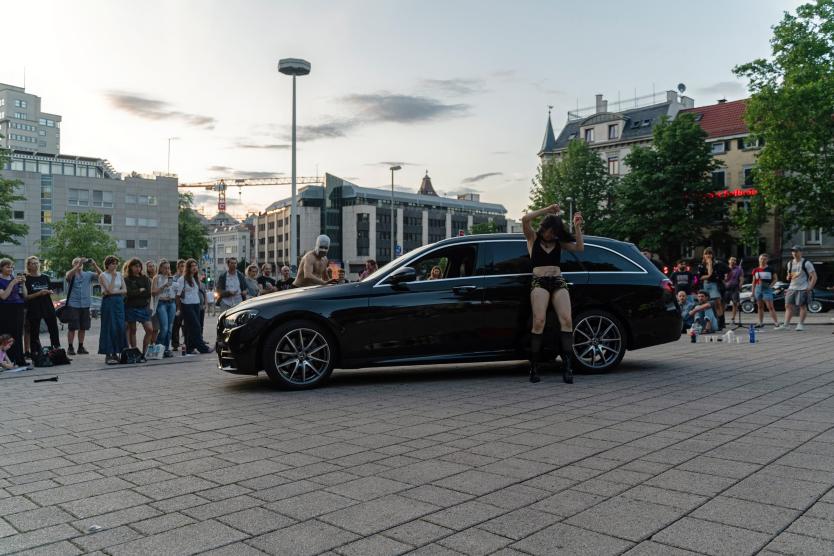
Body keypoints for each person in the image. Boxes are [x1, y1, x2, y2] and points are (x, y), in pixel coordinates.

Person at [522, 204, 584, 384]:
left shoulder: (558, 243)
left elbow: (579, 248)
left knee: (566, 320)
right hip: (539, 282)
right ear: (544, 227)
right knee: (539, 321)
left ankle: (567, 367)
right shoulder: (532, 238)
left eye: (555, 232)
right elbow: (525, 220)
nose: (552, 235)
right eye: (550, 231)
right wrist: (546, 210)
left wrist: (577, 227)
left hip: (558, 281)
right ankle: (534, 367)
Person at [64, 257, 103, 355]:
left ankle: (80, 347)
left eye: (81, 262)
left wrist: (94, 265)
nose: (79, 263)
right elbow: (68, 276)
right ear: (73, 265)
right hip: (73, 304)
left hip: (85, 304)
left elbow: (102, 276)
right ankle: (70, 347)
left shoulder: (88, 274)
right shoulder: (71, 273)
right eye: (76, 262)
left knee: (83, 327)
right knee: (72, 327)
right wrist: (78, 265)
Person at [24, 256, 61, 355]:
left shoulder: (45, 277)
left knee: (53, 328)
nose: (36, 265)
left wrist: (49, 291)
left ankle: (57, 351)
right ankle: (35, 353)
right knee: (34, 331)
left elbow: (50, 289)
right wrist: (39, 293)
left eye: (37, 263)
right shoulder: (26, 279)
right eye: (33, 263)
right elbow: (26, 297)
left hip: (47, 306)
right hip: (34, 307)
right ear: (28, 266)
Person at [777, 245, 817, 331]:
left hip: (803, 287)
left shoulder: (806, 263)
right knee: (787, 305)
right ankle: (786, 325)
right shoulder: (790, 263)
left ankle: (800, 324)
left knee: (802, 306)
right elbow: (789, 275)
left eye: (796, 251)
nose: (794, 253)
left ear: (801, 252)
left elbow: (814, 276)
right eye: (793, 251)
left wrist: (810, 287)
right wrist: (788, 276)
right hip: (792, 287)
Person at [176, 258, 212, 354]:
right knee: (196, 327)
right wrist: (179, 308)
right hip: (186, 305)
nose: (194, 268)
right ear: (188, 267)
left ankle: (189, 348)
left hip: (196, 304)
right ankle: (202, 347)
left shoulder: (195, 278)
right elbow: (178, 295)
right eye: (192, 266)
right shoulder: (182, 279)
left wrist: (204, 303)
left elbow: (200, 292)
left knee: (190, 327)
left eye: (195, 265)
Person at [98, 255, 127, 365]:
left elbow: (125, 290)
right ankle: (108, 353)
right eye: (112, 263)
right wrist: (114, 278)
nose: (114, 265)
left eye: (116, 263)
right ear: (107, 264)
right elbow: (108, 290)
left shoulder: (120, 274)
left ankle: (116, 352)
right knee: (109, 326)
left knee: (119, 326)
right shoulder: (102, 275)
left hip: (119, 302)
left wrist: (113, 292)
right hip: (108, 302)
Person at [123, 258, 154, 361]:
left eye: (139, 266)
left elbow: (148, 293)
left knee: (150, 329)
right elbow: (129, 294)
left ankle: (144, 353)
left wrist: (137, 292)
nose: (138, 268)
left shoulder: (145, 278)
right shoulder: (127, 279)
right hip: (131, 307)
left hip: (143, 307)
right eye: (135, 266)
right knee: (133, 330)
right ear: (130, 267)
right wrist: (140, 290)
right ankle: (134, 352)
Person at [0, 258, 28, 367]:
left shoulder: (13, 278)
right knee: (7, 334)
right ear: (1, 268)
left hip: (18, 307)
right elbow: (4, 296)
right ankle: (8, 359)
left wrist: (23, 284)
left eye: (12, 267)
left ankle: (20, 359)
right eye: (8, 267)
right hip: (6, 309)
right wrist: (12, 283)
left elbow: (25, 295)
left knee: (17, 333)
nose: (10, 269)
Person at [152, 259, 176, 357]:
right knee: (164, 328)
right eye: (165, 268)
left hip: (171, 303)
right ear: (160, 268)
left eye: (168, 268)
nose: (167, 270)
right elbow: (153, 293)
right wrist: (164, 286)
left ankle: (166, 349)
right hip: (161, 303)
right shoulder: (157, 278)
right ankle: (158, 348)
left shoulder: (172, 278)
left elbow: (175, 291)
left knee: (170, 328)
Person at [697, 248, 724, 330]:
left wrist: (710, 264)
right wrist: (708, 276)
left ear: (712, 255)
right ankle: (708, 323)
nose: (708, 255)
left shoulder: (716, 264)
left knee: (717, 303)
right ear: (704, 255)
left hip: (714, 285)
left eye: (710, 253)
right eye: (706, 253)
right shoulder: (701, 265)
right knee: (707, 304)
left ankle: (720, 323)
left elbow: (711, 273)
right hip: (705, 285)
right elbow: (700, 277)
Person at [751, 253, 779, 329]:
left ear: (767, 260)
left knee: (770, 306)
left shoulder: (770, 269)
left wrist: (771, 286)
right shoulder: (755, 270)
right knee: (759, 307)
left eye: (764, 259)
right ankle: (760, 322)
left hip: (767, 288)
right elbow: (753, 281)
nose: (762, 260)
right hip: (758, 288)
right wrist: (752, 292)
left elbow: (775, 279)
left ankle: (776, 322)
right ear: (759, 259)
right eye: (761, 258)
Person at [723, 257, 744, 325]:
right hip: (726, 289)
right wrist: (724, 283)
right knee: (723, 304)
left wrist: (740, 286)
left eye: (734, 260)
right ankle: (721, 318)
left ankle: (733, 319)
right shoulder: (725, 268)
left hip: (735, 288)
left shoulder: (739, 269)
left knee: (735, 304)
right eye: (732, 260)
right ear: (729, 261)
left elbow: (741, 278)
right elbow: (722, 278)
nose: (733, 261)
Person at [171, 259, 186, 350]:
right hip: (177, 303)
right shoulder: (174, 278)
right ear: (178, 267)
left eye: (184, 266)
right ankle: (175, 344)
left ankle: (186, 343)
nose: (183, 268)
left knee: (186, 326)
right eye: (181, 266)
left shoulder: (187, 277)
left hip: (187, 303)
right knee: (176, 325)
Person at [145, 260, 159, 345]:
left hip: (158, 304)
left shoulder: (159, 277)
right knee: (150, 328)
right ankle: (149, 346)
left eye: (153, 266)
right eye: (149, 266)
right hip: (149, 305)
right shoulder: (146, 279)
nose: (152, 267)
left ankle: (153, 344)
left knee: (156, 327)